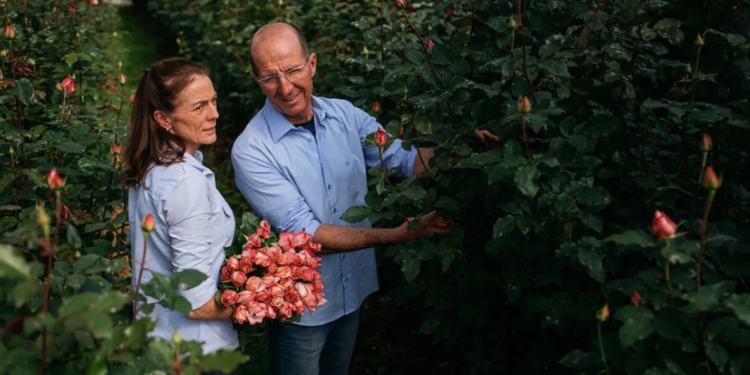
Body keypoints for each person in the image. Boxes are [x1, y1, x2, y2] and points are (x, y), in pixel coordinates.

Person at [231, 23, 498, 375]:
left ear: (312, 64)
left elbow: (404, 159)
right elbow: (306, 235)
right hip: (299, 306)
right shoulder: (252, 150)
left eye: (294, 70)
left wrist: (464, 149)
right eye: (269, 77)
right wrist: (396, 234)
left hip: (352, 290)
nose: (284, 87)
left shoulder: (346, 117)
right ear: (255, 78)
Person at [123, 58, 239, 363]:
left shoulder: (152, 166)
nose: (215, 113)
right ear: (164, 119)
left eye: (213, 101)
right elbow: (197, 302)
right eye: (199, 107)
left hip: (158, 338)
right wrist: (263, 302)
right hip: (197, 352)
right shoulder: (186, 182)